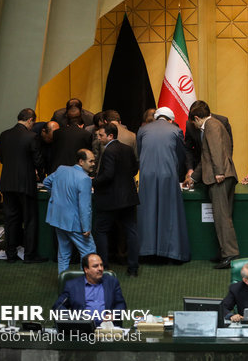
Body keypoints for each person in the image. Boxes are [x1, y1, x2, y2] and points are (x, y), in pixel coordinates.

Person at [184, 104, 239, 269]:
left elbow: (215, 151)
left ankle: (230, 254)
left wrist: (219, 172)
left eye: (193, 122)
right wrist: (193, 177)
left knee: (222, 218)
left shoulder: (210, 125)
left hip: (219, 178)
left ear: (196, 118)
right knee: (224, 216)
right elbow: (206, 157)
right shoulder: (216, 124)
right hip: (222, 175)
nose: (193, 126)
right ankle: (225, 251)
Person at [137, 107, 190, 263]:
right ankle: (171, 253)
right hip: (168, 174)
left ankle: (147, 252)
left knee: (148, 212)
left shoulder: (143, 130)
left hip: (147, 175)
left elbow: (140, 153)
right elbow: (181, 155)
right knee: (170, 213)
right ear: (171, 119)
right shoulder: (175, 130)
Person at [0, 108, 45, 264]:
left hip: (6, 183)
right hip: (25, 184)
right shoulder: (31, 136)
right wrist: (42, 175)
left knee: (10, 219)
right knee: (30, 219)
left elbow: (2, 159)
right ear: (31, 120)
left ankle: (10, 254)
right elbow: (38, 161)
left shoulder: (4, 135)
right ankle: (29, 255)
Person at [93, 124, 140, 276]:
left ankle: (103, 267)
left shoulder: (108, 151)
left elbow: (108, 175)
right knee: (131, 231)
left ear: (110, 136)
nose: (98, 138)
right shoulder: (127, 149)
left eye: (101, 135)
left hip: (110, 199)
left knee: (100, 231)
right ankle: (133, 268)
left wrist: (93, 182)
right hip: (129, 197)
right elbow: (134, 169)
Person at [43, 149, 97, 274]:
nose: (94, 164)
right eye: (91, 161)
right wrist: (86, 227)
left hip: (58, 219)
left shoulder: (61, 169)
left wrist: (56, 196)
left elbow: (46, 182)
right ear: (81, 161)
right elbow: (85, 207)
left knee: (63, 254)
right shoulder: (85, 179)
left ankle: (64, 285)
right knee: (89, 252)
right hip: (75, 223)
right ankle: (84, 285)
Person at [52, 253, 126, 326]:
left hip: (106, 328)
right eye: (95, 266)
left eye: (101, 265)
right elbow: (58, 306)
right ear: (86, 269)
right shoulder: (72, 285)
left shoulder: (111, 282)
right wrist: (75, 318)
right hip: (82, 328)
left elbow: (121, 304)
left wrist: (113, 314)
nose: (100, 269)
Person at [184, 100, 233, 179]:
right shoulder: (190, 125)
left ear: (197, 118)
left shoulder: (222, 121)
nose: (195, 125)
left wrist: (220, 169)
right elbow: (188, 149)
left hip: (219, 173)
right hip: (198, 170)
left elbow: (228, 147)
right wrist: (190, 169)